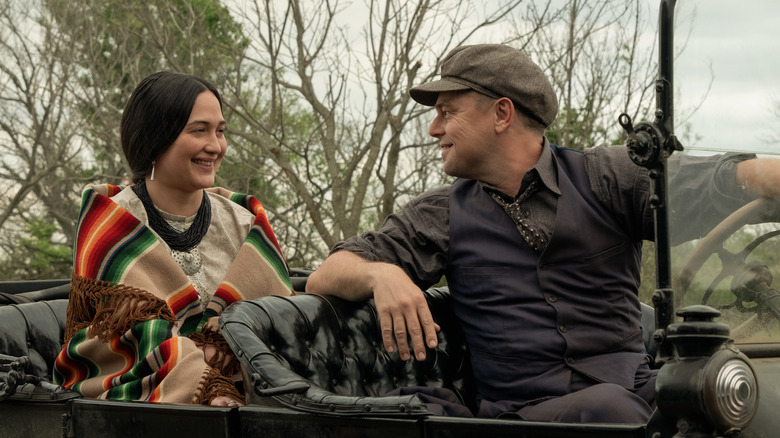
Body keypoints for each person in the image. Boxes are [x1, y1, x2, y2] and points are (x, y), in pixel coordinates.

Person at [306, 44, 780, 423]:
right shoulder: (438, 213)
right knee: (611, 410)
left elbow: (724, 180)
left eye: (447, 111)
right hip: (524, 415)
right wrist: (380, 276)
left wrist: (765, 179)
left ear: (502, 114)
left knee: (731, 387)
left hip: (637, 390)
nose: (434, 128)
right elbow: (326, 276)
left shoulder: (607, 176)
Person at [53, 72, 293, 407]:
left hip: (254, 395)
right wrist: (207, 382)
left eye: (220, 131)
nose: (215, 145)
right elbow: (118, 344)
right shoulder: (111, 227)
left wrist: (229, 340)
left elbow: (280, 317)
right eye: (199, 130)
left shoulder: (245, 223)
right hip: (150, 407)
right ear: (156, 137)